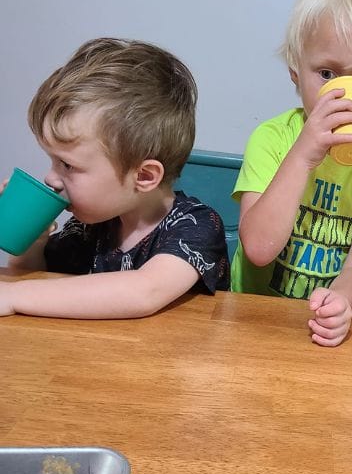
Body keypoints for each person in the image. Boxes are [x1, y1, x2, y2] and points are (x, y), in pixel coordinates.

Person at [230, 0, 352, 347]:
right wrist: (303, 155)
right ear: (296, 73)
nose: (347, 93)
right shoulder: (272, 139)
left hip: (319, 327)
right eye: (328, 73)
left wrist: (342, 301)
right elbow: (259, 250)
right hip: (251, 317)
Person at [0, 37, 229, 319]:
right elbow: (41, 278)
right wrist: (33, 242)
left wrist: (13, 296)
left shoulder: (197, 226)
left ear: (144, 176)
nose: (51, 178)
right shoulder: (90, 226)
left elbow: (143, 292)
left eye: (67, 165)